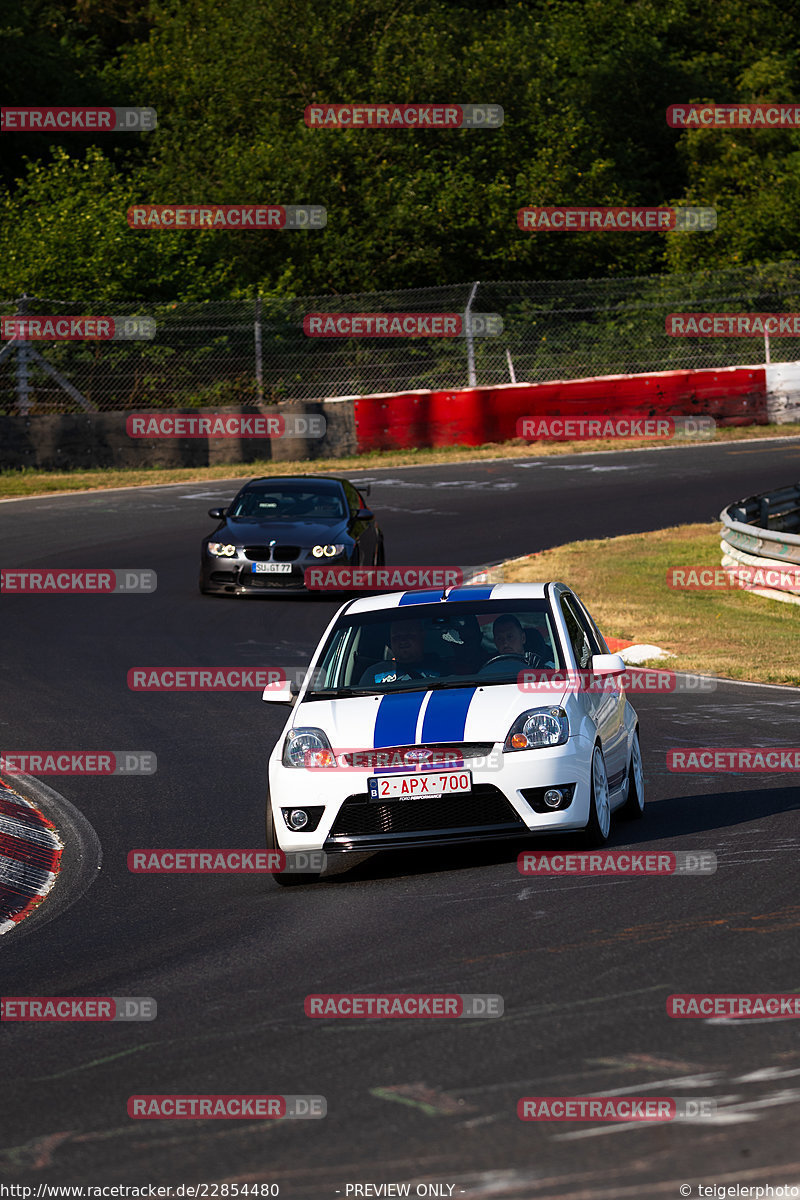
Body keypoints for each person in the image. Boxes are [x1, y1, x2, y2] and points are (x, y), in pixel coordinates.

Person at [359, 619, 443, 684]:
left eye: (409, 635)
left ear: (422, 636)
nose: (402, 641)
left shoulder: (443, 669)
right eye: (397, 636)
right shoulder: (373, 673)